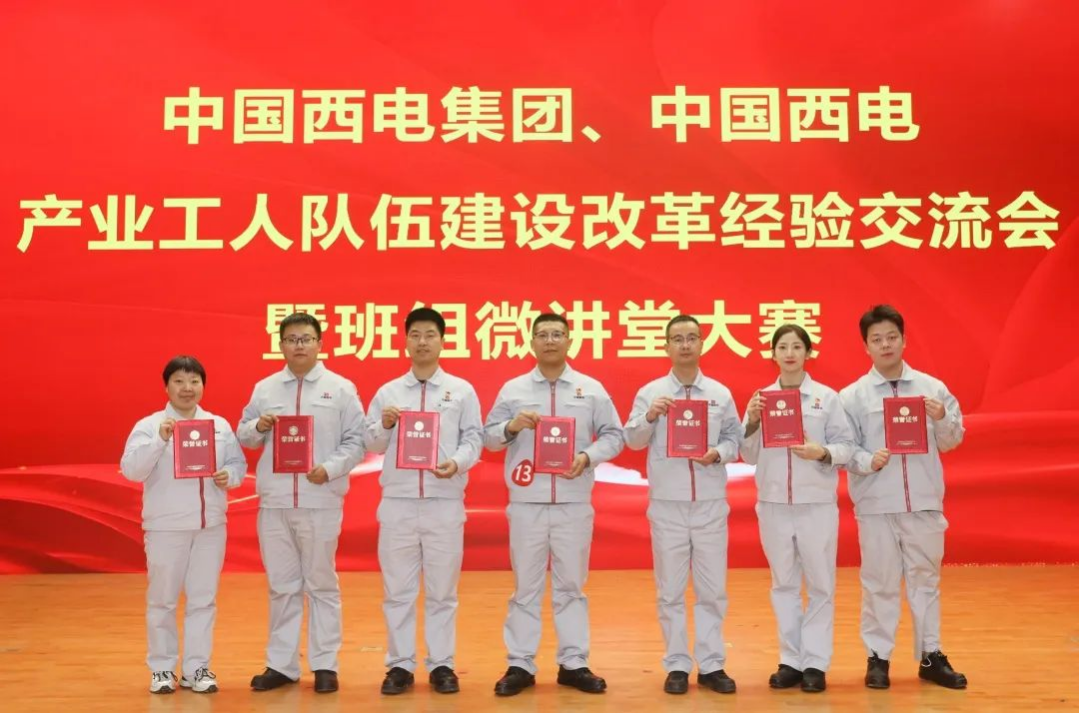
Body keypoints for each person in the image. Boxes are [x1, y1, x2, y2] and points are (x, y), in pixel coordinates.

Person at [484, 313, 624, 696]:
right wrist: (511, 427)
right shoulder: (513, 389)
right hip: (526, 501)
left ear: (569, 340)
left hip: (573, 501)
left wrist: (588, 456)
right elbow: (489, 438)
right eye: (542, 334)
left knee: (571, 585)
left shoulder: (590, 389)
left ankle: (574, 663)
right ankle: (520, 664)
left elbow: (614, 435)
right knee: (525, 586)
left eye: (557, 334)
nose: (550, 340)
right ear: (531, 342)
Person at [839, 304, 967, 690]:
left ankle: (931, 656)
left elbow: (952, 440)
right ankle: (878, 658)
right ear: (866, 346)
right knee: (878, 582)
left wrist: (941, 417)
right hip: (876, 504)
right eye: (877, 339)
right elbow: (844, 449)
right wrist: (868, 460)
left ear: (904, 340)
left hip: (923, 502)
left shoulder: (932, 388)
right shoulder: (852, 397)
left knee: (925, 580)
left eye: (892, 337)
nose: (886, 345)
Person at [238, 312, 365, 694]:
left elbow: (357, 440)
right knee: (282, 586)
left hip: (320, 499)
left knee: (321, 583)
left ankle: (325, 664)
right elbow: (244, 435)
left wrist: (330, 468)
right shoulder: (265, 389)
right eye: (291, 339)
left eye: (306, 339)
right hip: (275, 501)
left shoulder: (340, 389)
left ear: (319, 344)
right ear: (281, 345)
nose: (299, 346)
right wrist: (258, 427)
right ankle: (282, 664)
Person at [364, 307, 484, 695]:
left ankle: (442, 665)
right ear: (405, 341)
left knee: (442, 591)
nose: (422, 342)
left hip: (443, 501)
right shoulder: (388, 392)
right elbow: (371, 443)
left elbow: (474, 439)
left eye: (430, 334)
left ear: (442, 340)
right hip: (398, 501)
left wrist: (457, 463)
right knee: (397, 590)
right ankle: (399, 666)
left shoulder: (461, 390)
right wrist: (384, 424)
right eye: (415, 334)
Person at [623, 314, 743, 695]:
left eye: (692, 338)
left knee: (712, 589)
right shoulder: (651, 392)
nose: (686, 345)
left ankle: (711, 665)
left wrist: (718, 453)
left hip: (709, 503)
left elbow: (735, 440)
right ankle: (676, 664)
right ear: (666, 346)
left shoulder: (719, 393)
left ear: (703, 343)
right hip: (667, 505)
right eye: (678, 339)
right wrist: (650, 416)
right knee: (670, 591)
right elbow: (632, 439)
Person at [120, 355, 247, 694]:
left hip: (210, 526)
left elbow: (238, 464)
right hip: (166, 527)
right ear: (167, 387)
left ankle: (196, 668)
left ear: (203, 385)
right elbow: (131, 470)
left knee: (203, 600)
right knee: (162, 600)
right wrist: (160, 440)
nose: (187, 388)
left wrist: (229, 475)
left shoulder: (218, 426)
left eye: (194, 381)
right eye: (179, 381)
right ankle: (162, 668)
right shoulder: (150, 425)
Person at [741, 324, 854, 693]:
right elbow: (748, 454)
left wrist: (821, 452)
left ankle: (815, 663)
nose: (789, 353)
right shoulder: (761, 400)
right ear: (772, 354)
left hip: (816, 504)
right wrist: (752, 421)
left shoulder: (826, 398)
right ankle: (790, 660)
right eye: (782, 347)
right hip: (773, 504)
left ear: (808, 353)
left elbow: (846, 447)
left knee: (821, 584)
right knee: (784, 584)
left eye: (797, 347)